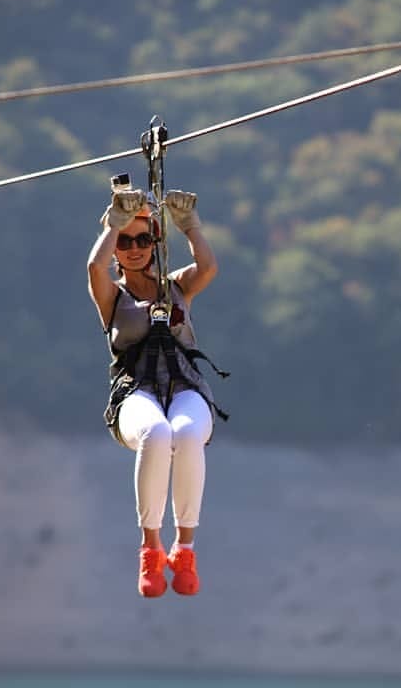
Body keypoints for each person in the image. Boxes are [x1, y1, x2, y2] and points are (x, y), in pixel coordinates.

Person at [87, 180, 228, 598]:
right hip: (136, 393)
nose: (134, 248)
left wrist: (190, 225)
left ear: (155, 242)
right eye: (125, 242)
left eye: (143, 239)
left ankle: (185, 549)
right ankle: (151, 548)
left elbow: (208, 268)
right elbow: (94, 268)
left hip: (186, 387)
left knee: (185, 433)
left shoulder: (176, 286)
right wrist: (114, 223)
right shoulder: (113, 297)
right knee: (157, 432)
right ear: (115, 249)